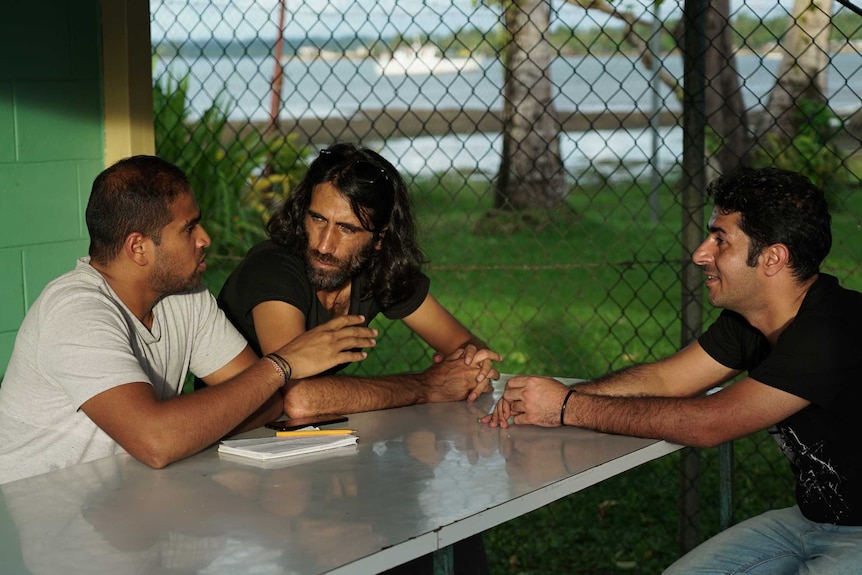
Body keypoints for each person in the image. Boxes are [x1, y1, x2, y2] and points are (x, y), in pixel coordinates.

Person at [483, 167, 862, 574]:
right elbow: (665, 380)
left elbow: (710, 423)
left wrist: (566, 408)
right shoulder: (752, 319)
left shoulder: (834, 330)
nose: (701, 253)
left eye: (720, 239)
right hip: (810, 522)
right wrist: (547, 399)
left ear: (773, 258)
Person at [0, 155, 377, 485]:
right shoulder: (76, 310)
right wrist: (281, 364)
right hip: (37, 519)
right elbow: (158, 442)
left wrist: (188, 425)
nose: (206, 238)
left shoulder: (184, 296)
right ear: (138, 247)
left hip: (129, 506)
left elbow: (265, 405)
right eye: (189, 228)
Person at [216, 142, 501, 417]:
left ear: (380, 238)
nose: (324, 246)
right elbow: (299, 397)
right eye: (317, 219)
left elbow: (468, 346)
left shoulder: (379, 267)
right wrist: (426, 386)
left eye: (347, 229)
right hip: (231, 440)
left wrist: (471, 367)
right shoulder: (273, 268)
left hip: (305, 440)